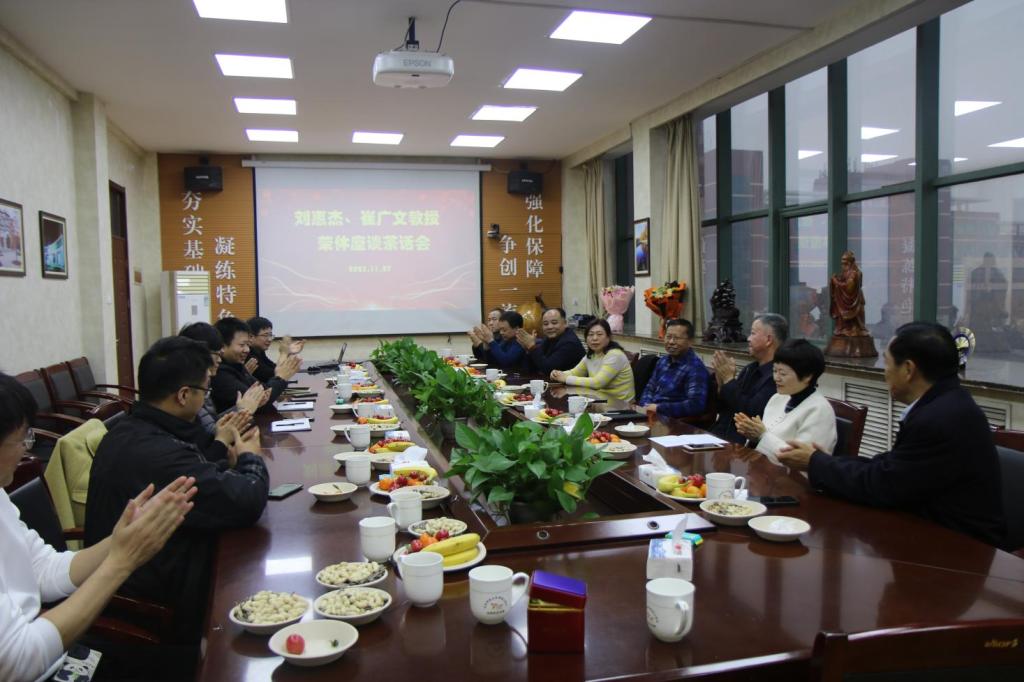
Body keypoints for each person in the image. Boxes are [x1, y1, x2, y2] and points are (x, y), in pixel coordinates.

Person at [0, 372, 197, 682]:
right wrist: (121, 562)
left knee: (194, 658)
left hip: (50, 654)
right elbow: (18, 661)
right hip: (34, 667)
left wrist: (118, 540)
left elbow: (41, 569)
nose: (27, 449)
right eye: (22, 438)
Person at [85, 337, 270, 636]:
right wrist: (251, 457)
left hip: (152, 568)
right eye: (205, 390)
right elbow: (247, 499)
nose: (206, 398)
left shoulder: (136, 428)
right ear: (184, 395)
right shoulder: (157, 452)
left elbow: (204, 473)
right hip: (154, 602)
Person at [778, 322, 1005, 548]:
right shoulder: (945, 402)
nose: (884, 372)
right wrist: (824, 461)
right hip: (928, 532)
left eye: (886, 363)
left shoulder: (940, 418)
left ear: (908, 369)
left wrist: (815, 462)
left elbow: (883, 485)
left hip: (959, 549)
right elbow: (890, 468)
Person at [734, 339, 836, 459]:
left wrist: (762, 436)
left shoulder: (819, 411)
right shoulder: (777, 398)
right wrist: (753, 436)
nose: (776, 378)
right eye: (774, 371)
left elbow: (802, 459)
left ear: (807, 376)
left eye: (782, 374)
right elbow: (763, 441)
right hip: (765, 466)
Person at [180, 322, 268, 438]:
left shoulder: (206, 379)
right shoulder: (193, 384)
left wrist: (243, 407)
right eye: (216, 354)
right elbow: (211, 434)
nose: (219, 360)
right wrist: (243, 410)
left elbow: (213, 421)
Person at [709, 313, 788, 444]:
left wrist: (729, 380)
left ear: (768, 340)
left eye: (752, 333)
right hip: (719, 435)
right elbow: (723, 408)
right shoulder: (750, 369)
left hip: (742, 444)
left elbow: (751, 412)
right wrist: (721, 384)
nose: (748, 338)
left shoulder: (777, 376)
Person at [211, 317, 299, 413]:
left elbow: (263, 391)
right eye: (242, 345)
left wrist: (280, 378)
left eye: (247, 345)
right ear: (223, 346)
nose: (247, 350)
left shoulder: (237, 364)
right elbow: (259, 401)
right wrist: (281, 378)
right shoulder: (219, 372)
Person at [635, 318, 709, 417]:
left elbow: (695, 405)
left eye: (677, 338)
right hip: (649, 414)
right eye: (668, 337)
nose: (671, 342)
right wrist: (645, 405)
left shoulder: (695, 368)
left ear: (690, 341)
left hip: (671, 419)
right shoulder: (662, 361)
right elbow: (649, 388)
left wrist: (659, 408)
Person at [551, 319, 635, 402]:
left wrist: (566, 378)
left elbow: (597, 383)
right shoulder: (591, 355)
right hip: (599, 400)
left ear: (608, 337)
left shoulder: (615, 355)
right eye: (590, 334)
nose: (594, 338)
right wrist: (557, 374)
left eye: (599, 334)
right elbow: (574, 372)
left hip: (620, 404)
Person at [516, 307, 585, 376]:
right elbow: (532, 368)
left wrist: (532, 347)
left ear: (565, 323)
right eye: (545, 324)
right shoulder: (548, 339)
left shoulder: (570, 343)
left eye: (554, 323)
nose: (550, 327)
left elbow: (548, 369)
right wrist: (528, 350)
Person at [246, 316, 305, 383]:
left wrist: (288, 353)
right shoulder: (247, 354)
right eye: (265, 335)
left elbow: (274, 368)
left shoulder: (259, 351)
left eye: (270, 335)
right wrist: (284, 353)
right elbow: (275, 375)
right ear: (251, 337)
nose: (269, 339)